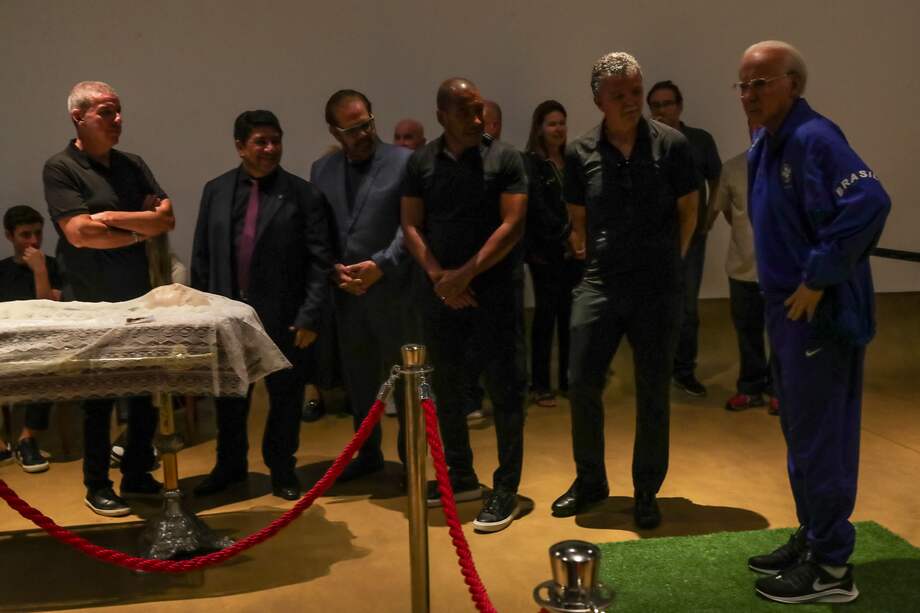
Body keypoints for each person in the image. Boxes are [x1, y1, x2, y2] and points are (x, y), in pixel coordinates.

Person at [738, 40, 890, 604]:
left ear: (794, 85)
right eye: (744, 84)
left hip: (819, 316)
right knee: (800, 436)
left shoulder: (815, 138)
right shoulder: (767, 143)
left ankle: (831, 572)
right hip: (785, 313)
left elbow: (870, 201)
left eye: (762, 83)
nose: (750, 95)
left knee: (823, 441)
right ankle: (812, 537)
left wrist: (819, 276)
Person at [551, 53, 698, 529]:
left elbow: (689, 211)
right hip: (602, 281)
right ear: (598, 99)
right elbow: (578, 216)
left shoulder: (672, 145)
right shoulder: (579, 152)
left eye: (636, 91)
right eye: (619, 95)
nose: (632, 101)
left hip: (657, 285)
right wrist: (587, 249)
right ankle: (590, 480)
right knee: (582, 382)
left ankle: (646, 489)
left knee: (653, 390)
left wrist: (668, 264)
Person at [402, 78, 528, 533]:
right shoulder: (421, 162)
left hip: (495, 295)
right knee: (448, 390)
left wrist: (464, 275)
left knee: (506, 390)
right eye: (465, 112)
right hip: (441, 297)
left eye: (479, 110)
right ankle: (461, 477)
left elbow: (512, 225)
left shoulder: (505, 157)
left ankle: (506, 487)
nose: (477, 120)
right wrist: (439, 278)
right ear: (442, 115)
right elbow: (411, 224)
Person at [43, 81, 174, 516]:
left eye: (118, 111)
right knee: (96, 398)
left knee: (142, 394)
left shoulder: (132, 164)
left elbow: (167, 219)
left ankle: (137, 472)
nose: (118, 120)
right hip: (89, 301)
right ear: (78, 117)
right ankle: (96, 483)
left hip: (137, 296)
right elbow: (80, 235)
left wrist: (116, 219)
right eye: (106, 112)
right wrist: (141, 227)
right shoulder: (60, 168)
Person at [191, 110, 333, 501]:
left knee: (286, 400)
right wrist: (201, 312)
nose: (270, 149)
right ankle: (230, 466)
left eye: (276, 140)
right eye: (260, 142)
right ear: (240, 146)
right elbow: (202, 256)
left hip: (286, 319)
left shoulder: (304, 195)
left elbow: (321, 262)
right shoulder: (215, 190)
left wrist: (310, 315)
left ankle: (282, 467)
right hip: (226, 318)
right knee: (230, 399)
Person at [311, 89, 412, 481]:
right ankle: (367, 454)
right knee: (359, 381)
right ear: (335, 131)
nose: (363, 133)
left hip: (395, 292)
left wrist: (381, 265)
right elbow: (318, 231)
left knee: (404, 383)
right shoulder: (322, 170)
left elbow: (412, 226)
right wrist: (333, 270)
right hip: (347, 296)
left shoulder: (403, 162)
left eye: (367, 123)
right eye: (352, 129)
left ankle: (411, 461)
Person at [647, 80, 722, 397]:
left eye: (668, 104)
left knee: (687, 308)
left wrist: (709, 217)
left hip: (691, 240)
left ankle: (684, 371)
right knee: (653, 307)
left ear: (679, 105)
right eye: (656, 106)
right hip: (653, 241)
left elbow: (718, 178)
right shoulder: (643, 141)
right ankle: (655, 372)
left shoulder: (700, 140)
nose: (662, 111)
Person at [708, 122, 777, 414]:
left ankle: (778, 390)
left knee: (781, 334)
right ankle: (750, 388)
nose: (759, 129)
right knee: (747, 333)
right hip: (742, 268)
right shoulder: (734, 168)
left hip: (781, 271)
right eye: (754, 125)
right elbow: (722, 208)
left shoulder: (792, 164)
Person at [523, 100, 583, 407]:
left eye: (562, 122)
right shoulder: (530, 163)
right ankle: (540, 384)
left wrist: (580, 236)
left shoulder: (573, 159)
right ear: (539, 128)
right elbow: (537, 209)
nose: (558, 129)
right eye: (552, 124)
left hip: (575, 252)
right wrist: (566, 234)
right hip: (545, 252)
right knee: (546, 316)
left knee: (570, 317)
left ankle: (568, 380)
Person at [0, 205, 62, 473]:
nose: (34, 241)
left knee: (48, 363)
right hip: (5, 340)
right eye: (25, 235)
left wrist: (39, 271)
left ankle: (28, 437)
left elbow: (49, 309)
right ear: (9, 236)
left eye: (38, 233)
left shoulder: (53, 266)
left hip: (41, 339)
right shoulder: (2, 270)